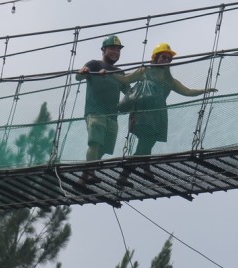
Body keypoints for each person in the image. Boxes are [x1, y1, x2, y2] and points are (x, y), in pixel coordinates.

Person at [119, 42, 215, 183]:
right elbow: (125, 79)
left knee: (147, 144)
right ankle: (126, 175)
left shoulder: (169, 80)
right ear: (156, 57)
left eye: (169, 59)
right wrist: (109, 73)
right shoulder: (144, 71)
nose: (166, 60)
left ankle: (144, 170)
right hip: (143, 115)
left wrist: (203, 91)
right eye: (164, 57)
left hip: (158, 116)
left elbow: (187, 91)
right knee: (144, 145)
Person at [76, 35, 133, 168]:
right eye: (112, 48)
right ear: (103, 50)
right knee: (95, 143)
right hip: (95, 112)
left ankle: (87, 175)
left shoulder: (120, 72)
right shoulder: (94, 64)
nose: (116, 52)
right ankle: (89, 172)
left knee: (103, 148)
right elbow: (78, 76)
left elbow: (129, 93)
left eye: (118, 50)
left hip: (112, 116)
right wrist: (84, 71)